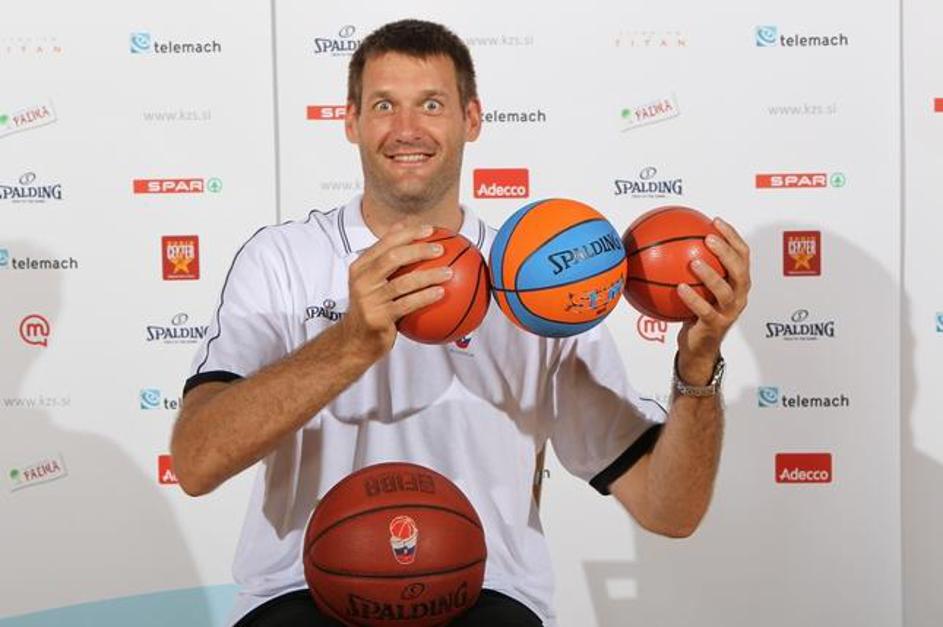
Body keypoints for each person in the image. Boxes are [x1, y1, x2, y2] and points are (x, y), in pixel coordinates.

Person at [171, 19, 750, 627]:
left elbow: (670, 510)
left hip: (485, 595)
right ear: (350, 121)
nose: (406, 129)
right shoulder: (283, 260)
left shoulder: (539, 284)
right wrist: (349, 344)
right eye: (384, 105)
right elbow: (196, 462)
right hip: (301, 592)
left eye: (431, 104)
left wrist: (697, 368)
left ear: (472, 119)